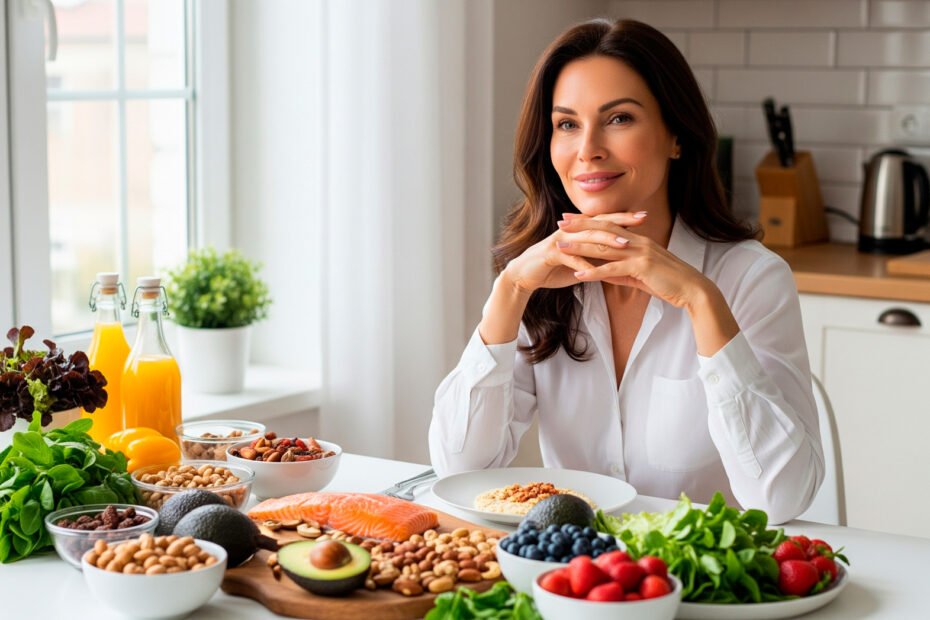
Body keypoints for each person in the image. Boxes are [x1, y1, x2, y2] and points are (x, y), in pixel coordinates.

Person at [427, 18, 824, 524]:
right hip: (573, 579)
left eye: (618, 119)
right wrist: (510, 290)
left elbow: (782, 498)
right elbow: (459, 466)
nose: (588, 148)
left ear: (676, 136)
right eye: (567, 124)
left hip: (698, 586)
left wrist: (702, 302)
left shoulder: (750, 278)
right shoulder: (541, 278)